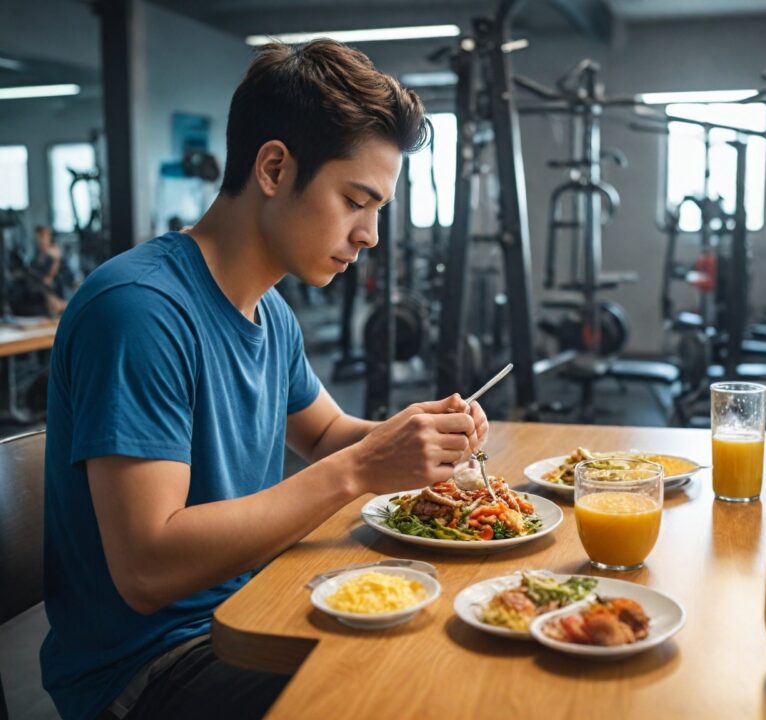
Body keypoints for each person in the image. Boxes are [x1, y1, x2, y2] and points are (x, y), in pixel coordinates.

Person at [41, 40, 488, 720]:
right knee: (416, 690)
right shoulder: (137, 311)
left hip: (247, 608)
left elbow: (332, 435)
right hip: (149, 667)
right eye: (354, 201)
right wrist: (363, 468)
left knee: (461, 635)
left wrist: (414, 437)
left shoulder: (270, 313)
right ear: (275, 167)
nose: (369, 235)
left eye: (378, 210)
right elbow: (147, 568)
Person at [29, 225, 68, 315]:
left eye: (43, 237)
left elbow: (63, 280)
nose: (40, 240)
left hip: (59, 298)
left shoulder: (59, 260)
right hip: (42, 302)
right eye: (38, 237)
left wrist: (56, 260)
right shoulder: (35, 262)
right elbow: (42, 281)